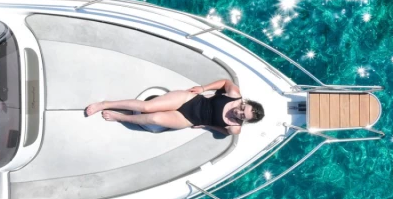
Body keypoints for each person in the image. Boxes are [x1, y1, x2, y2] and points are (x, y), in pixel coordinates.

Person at [85, 79, 264, 136]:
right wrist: (203, 88)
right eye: (243, 108)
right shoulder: (234, 94)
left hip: (189, 120)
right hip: (189, 100)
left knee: (154, 119)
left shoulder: (235, 129)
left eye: (242, 116)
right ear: (245, 102)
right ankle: (106, 104)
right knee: (148, 107)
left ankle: (121, 117)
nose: (238, 113)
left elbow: (224, 131)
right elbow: (225, 82)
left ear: (244, 121)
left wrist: (207, 126)